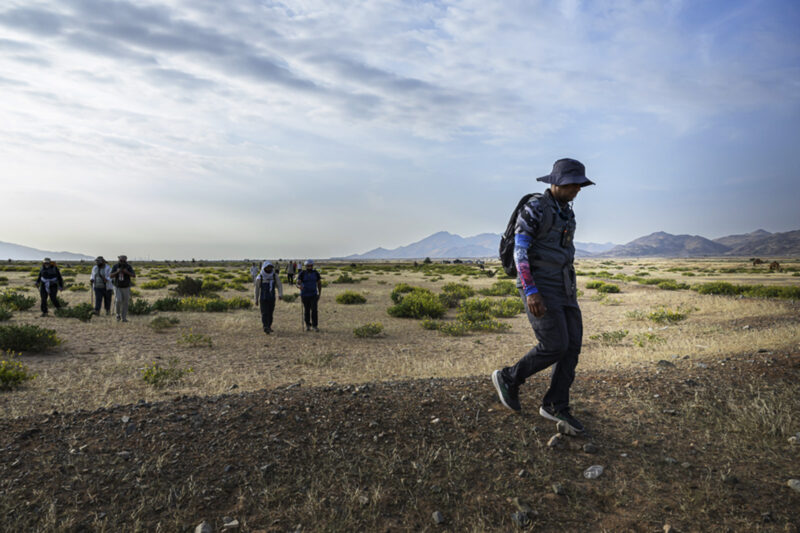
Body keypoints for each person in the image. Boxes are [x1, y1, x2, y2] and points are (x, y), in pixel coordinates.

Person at [491, 158, 595, 435]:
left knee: (571, 347)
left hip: (565, 287)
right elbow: (520, 251)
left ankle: (556, 405)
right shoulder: (535, 207)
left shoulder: (567, 212)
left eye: (580, 184)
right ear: (557, 182)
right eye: (574, 183)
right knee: (554, 345)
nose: (578, 189)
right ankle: (509, 377)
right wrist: (531, 290)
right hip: (540, 287)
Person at [254, 261, 283, 335]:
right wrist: (256, 299)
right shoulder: (260, 277)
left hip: (271, 297)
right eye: (267, 267)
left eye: (270, 267)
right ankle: (265, 327)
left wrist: (280, 294)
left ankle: (269, 326)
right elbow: (257, 289)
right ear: (264, 268)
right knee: (264, 313)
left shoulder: (274, 276)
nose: (269, 269)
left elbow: (279, 285)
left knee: (270, 313)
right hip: (263, 298)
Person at [296, 259, 322, 332]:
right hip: (304, 294)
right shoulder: (302, 273)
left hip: (313, 294)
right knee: (307, 310)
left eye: (311, 265)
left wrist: (319, 293)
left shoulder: (316, 273)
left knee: (314, 310)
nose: (309, 267)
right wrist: (299, 286)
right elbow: (297, 283)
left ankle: (315, 326)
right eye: (308, 266)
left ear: (312, 266)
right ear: (306, 266)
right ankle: (307, 325)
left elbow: (319, 283)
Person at [110, 255, 136, 322]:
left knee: (125, 302)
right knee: (118, 300)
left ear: (126, 260)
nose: (122, 262)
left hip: (126, 286)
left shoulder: (128, 266)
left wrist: (126, 272)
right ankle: (118, 314)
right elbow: (110, 275)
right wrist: (117, 272)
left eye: (124, 260)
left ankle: (124, 318)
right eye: (121, 260)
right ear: (118, 260)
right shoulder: (115, 266)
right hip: (117, 286)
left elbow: (134, 275)